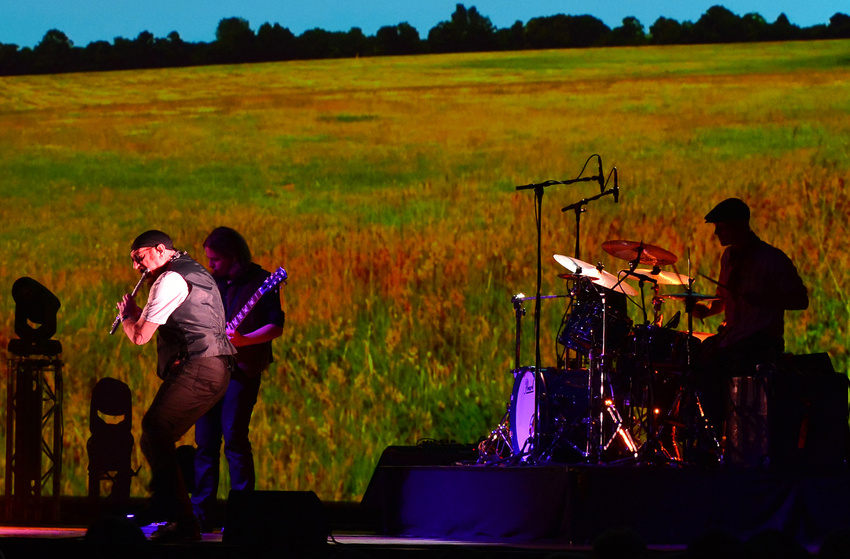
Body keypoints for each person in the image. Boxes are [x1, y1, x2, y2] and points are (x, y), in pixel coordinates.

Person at [116, 230, 235, 542]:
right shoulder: (191, 271)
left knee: (155, 426)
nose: (136, 267)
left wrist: (128, 317)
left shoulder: (169, 280)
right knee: (156, 436)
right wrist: (141, 316)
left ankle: (179, 518)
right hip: (213, 367)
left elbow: (140, 336)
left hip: (202, 366)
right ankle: (169, 506)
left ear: (159, 250)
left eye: (138, 258)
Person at [191, 226, 285, 532]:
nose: (211, 265)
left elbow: (275, 326)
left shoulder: (261, 281)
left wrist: (244, 340)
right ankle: (201, 513)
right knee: (205, 442)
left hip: (242, 371)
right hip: (209, 371)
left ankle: (243, 514)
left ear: (233, 257)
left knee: (233, 437)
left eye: (216, 260)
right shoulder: (210, 283)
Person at [692, 198, 808, 435]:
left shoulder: (772, 259)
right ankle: (711, 436)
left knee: (728, 366)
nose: (716, 232)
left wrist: (765, 299)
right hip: (734, 338)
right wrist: (705, 310)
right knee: (697, 365)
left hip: (761, 342)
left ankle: (736, 436)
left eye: (720, 226)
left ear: (737, 226)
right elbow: (723, 298)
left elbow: (800, 300)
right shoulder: (729, 257)